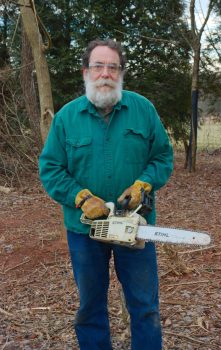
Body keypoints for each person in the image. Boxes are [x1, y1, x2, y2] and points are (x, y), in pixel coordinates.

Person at [39, 38, 173, 350]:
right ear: (86, 72)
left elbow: (163, 157)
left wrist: (143, 184)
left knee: (145, 307)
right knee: (90, 306)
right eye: (98, 66)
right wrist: (81, 198)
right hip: (85, 230)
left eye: (112, 67)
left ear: (121, 73)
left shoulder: (143, 110)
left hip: (134, 225)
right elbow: (51, 168)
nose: (105, 73)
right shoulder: (67, 118)